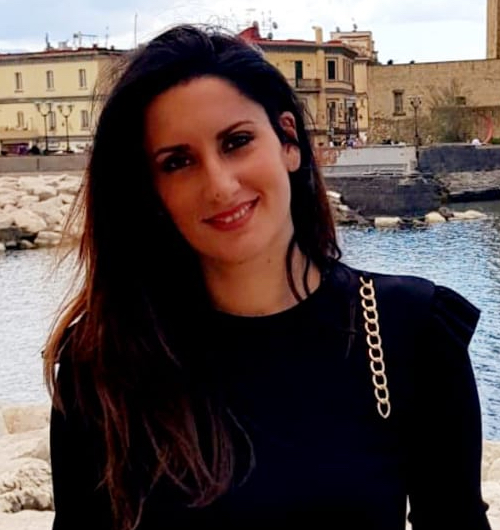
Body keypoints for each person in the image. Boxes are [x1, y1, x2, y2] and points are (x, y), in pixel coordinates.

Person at [43, 24, 492, 530]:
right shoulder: (106, 364)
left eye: (236, 142)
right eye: (178, 162)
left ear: (288, 142)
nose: (219, 185)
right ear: (152, 190)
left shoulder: (409, 332)